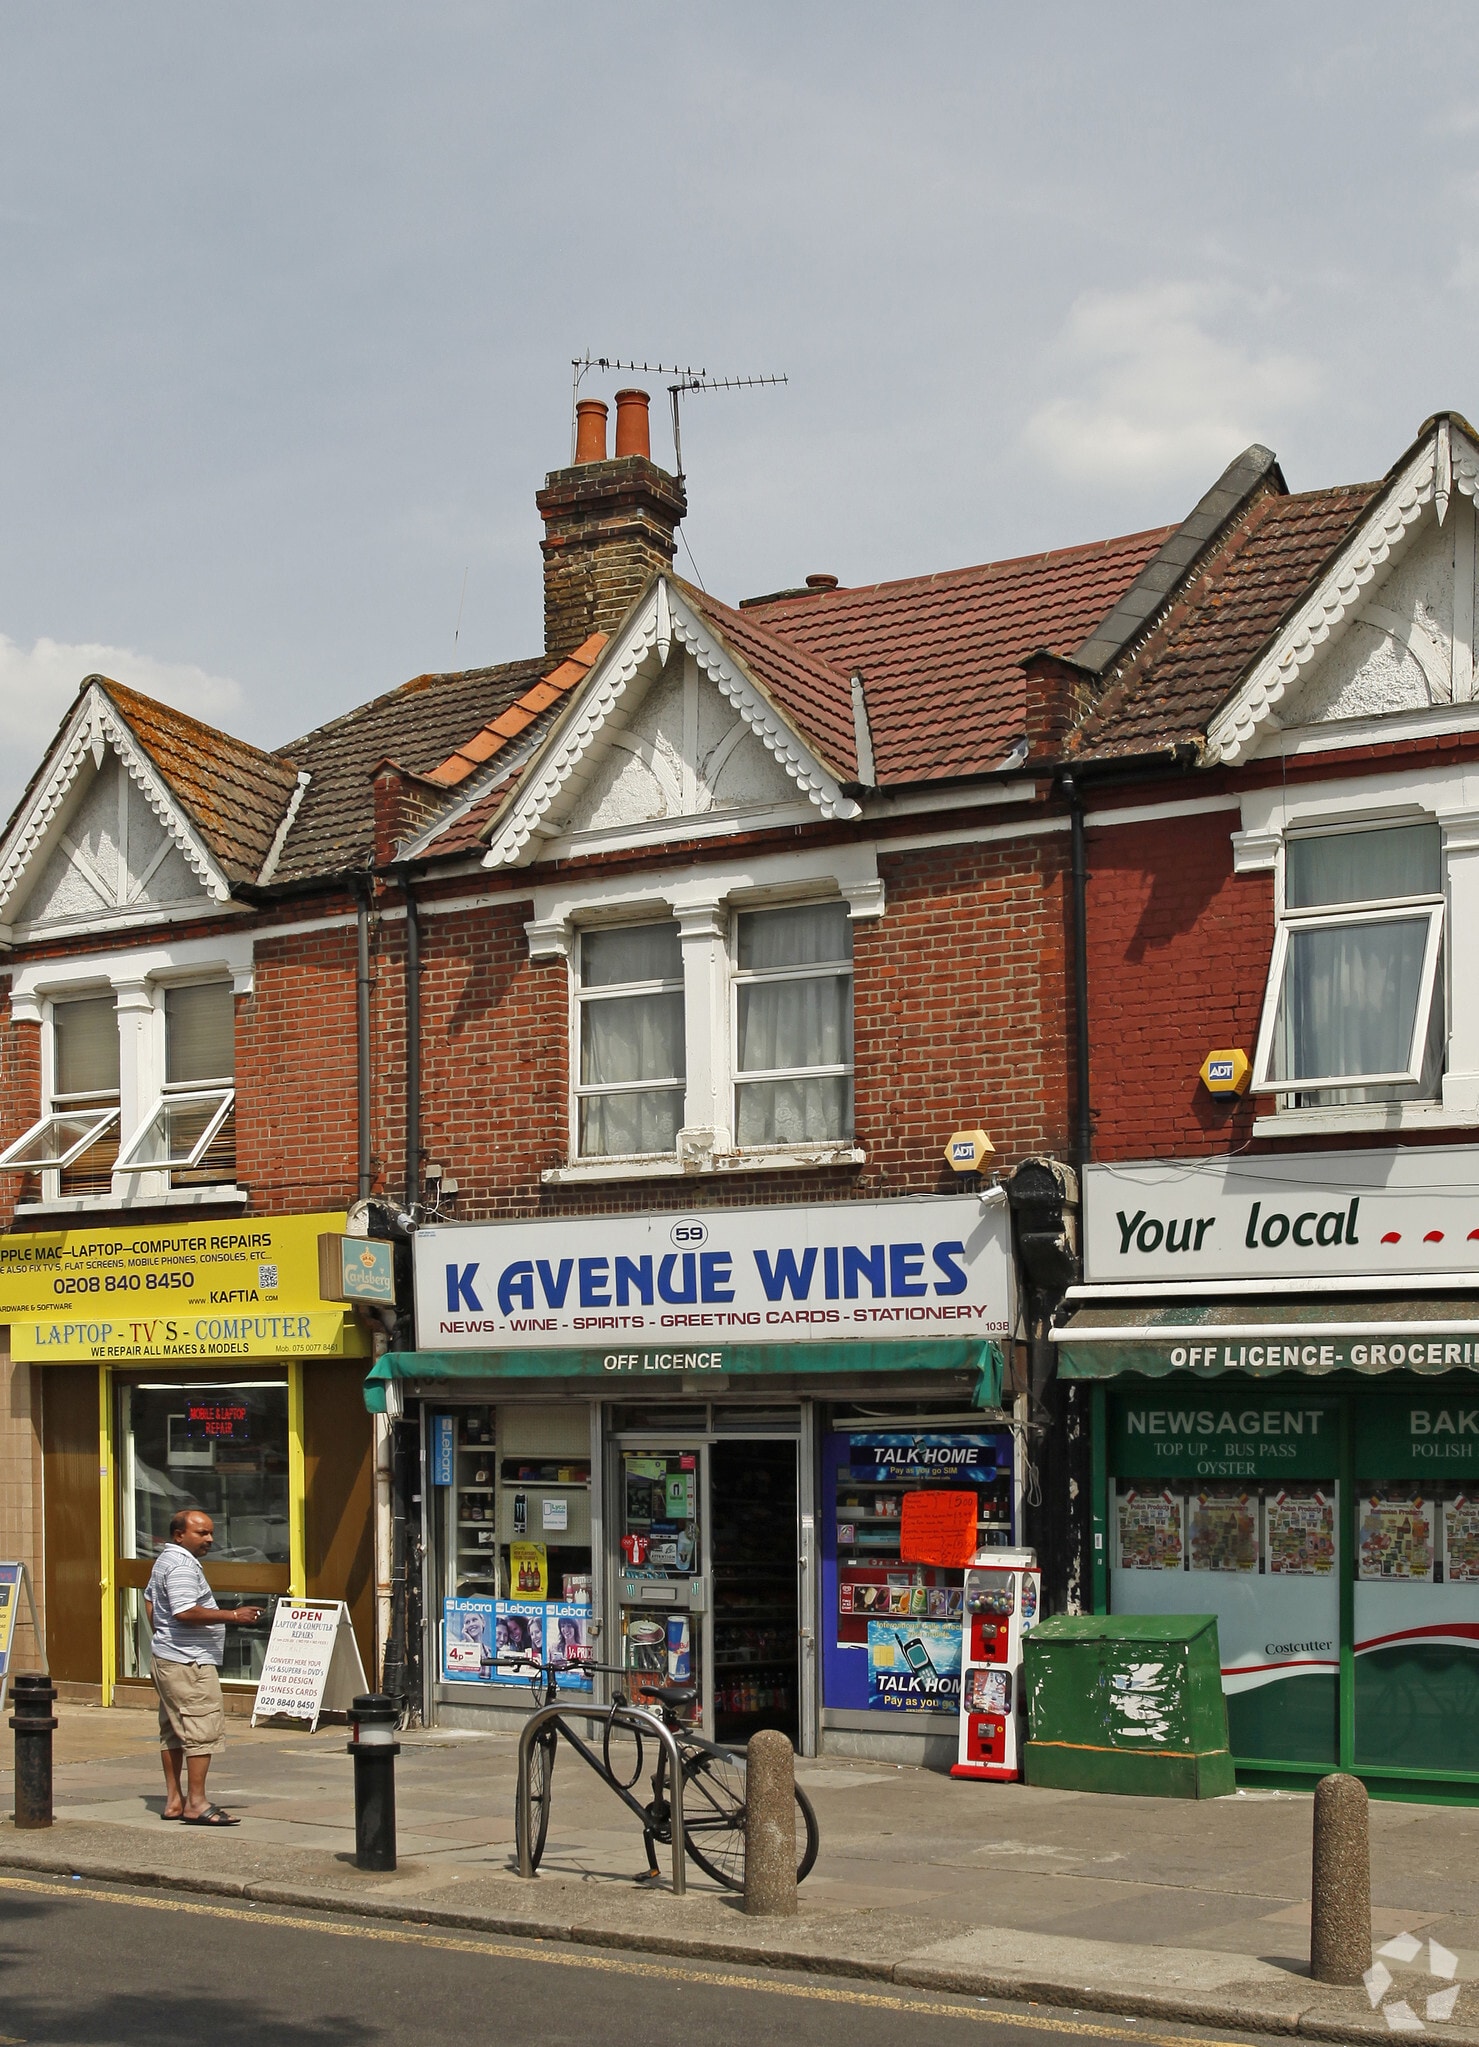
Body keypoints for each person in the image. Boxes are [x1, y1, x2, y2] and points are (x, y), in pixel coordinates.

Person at [145, 1508, 262, 1825]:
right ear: (179, 1534)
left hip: (170, 1657)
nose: (209, 1539)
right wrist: (233, 1616)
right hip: (189, 1662)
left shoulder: (165, 1561)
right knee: (201, 1730)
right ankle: (196, 1803)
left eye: (211, 1533)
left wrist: (162, 1635)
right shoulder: (182, 1566)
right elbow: (184, 1611)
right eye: (202, 1533)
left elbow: (151, 1604)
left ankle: (174, 1801)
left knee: (173, 1730)